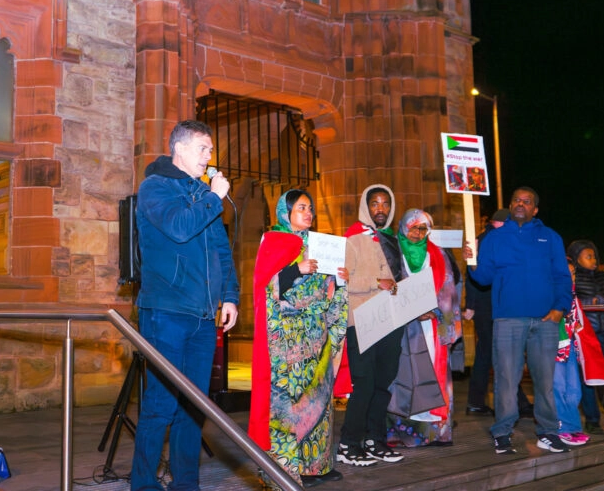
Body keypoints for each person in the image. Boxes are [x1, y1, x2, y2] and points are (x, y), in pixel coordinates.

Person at [132, 120, 239, 491]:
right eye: (203, 149)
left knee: (194, 407)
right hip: (165, 311)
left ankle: (186, 485)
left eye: (211, 150)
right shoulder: (154, 187)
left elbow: (222, 251)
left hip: (202, 316)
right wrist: (213, 197)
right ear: (179, 148)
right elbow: (178, 227)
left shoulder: (202, 193)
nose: (209, 157)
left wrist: (231, 296)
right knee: (160, 403)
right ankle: (143, 485)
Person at [248, 189, 348, 488]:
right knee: (290, 406)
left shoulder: (319, 244)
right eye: (301, 207)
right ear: (286, 212)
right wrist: (295, 269)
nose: (308, 213)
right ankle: (287, 469)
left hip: (317, 338)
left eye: (310, 208)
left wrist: (340, 279)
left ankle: (316, 466)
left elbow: (329, 294)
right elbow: (264, 287)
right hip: (287, 343)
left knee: (318, 401)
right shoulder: (274, 241)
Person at [468, 187, 573, 455]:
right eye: (516, 200)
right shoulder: (495, 238)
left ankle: (548, 432)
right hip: (508, 319)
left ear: (535, 209)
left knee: (544, 380)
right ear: (511, 205)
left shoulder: (550, 237)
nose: (520, 204)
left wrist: (560, 308)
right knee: (506, 379)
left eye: (527, 202)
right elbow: (483, 279)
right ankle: (502, 432)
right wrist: (471, 261)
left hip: (545, 319)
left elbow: (562, 275)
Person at [336, 185, 403, 467]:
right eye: (374, 203)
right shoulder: (351, 239)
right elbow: (342, 282)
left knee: (382, 384)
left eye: (385, 204)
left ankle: (376, 440)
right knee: (363, 384)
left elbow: (399, 281)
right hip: (361, 321)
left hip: (390, 322)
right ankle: (348, 443)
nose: (380, 209)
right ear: (366, 206)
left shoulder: (392, 240)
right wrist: (378, 283)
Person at [385, 209, 463, 447]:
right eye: (413, 228)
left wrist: (440, 314)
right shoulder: (392, 252)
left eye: (422, 229)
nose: (417, 233)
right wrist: (412, 310)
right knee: (403, 375)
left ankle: (436, 431)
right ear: (403, 227)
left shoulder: (438, 253)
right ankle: (401, 430)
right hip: (404, 326)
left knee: (434, 373)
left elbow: (449, 287)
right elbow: (387, 288)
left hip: (433, 325)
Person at [463, 209, 535, 418]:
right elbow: (474, 274)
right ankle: (516, 402)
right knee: (500, 354)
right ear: (500, 223)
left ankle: (477, 402)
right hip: (490, 305)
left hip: (492, 304)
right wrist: (471, 305)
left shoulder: (486, 238)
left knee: (490, 353)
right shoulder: (489, 240)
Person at [567, 240, 604, 436]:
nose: (593, 260)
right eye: (588, 256)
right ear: (576, 259)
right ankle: (593, 421)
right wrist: (588, 302)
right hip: (584, 336)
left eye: (594, 256)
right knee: (587, 380)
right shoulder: (571, 278)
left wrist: (601, 301)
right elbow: (569, 300)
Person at [553, 259, 589, 446]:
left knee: (574, 390)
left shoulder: (573, 295)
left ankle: (572, 427)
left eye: (573, 273)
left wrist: (576, 325)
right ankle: (563, 428)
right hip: (554, 346)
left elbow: (574, 319)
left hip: (570, 346)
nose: (571, 277)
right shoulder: (551, 292)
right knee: (558, 387)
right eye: (567, 273)